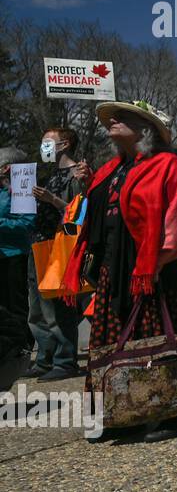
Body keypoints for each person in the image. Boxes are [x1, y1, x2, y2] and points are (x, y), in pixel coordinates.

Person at [62, 102, 177, 442]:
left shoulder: (167, 164)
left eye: (123, 118)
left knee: (155, 339)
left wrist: (158, 260)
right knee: (110, 340)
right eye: (111, 118)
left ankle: (170, 410)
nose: (113, 121)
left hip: (152, 268)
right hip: (113, 268)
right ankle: (121, 413)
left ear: (146, 129)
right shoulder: (109, 170)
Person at [26, 128, 86, 380]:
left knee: (60, 306)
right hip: (40, 242)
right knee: (38, 306)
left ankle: (65, 360)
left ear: (65, 144)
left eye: (47, 143)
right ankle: (45, 358)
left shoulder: (77, 174)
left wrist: (52, 200)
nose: (43, 148)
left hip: (60, 244)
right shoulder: (50, 175)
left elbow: (78, 210)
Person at [1, 149, 36, 370]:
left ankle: (21, 353)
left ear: (6, 167)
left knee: (16, 308)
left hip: (15, 256)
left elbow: (26, 225)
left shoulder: (22, 187)